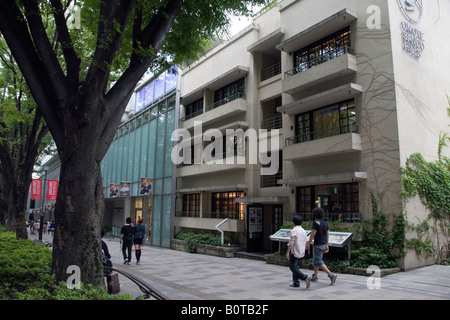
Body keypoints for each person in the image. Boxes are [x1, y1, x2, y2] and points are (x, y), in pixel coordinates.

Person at [305, 207, 337, 285]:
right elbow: (327, 233)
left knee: (318, 260)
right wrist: (327, 244)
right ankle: (315, 276)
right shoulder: (325, 223)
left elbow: (313, 233)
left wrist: (308, 243)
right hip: (323, 244)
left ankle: (331, 275)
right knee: (316, 260)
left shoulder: (316, 222)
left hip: (318, 244)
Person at [286, 214, 310, 289]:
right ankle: (296, 282)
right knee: (296, 267)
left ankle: (304, 277)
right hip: (302, 251)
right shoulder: (303, 230)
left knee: (293, 267)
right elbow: (305, 240)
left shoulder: (294, 230)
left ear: (293, 222)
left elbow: (291, 242)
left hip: (295, 251)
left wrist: (287, 252)